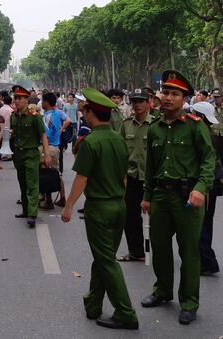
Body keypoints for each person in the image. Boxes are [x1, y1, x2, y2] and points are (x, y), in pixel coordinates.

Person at [140, 70, 215, 325]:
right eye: (166, 92)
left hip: (187, 197)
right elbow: (150, 166)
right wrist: (147, 196)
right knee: (160, 248)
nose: (169, 98)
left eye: (176, 94)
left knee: (189, 252)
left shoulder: (195, 125)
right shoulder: (154, 128)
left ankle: (189, 303)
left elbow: (209, 160)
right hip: (161, 195)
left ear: (184, 98)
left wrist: (201, 188)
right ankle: (162, 291)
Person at [61, 88, 138, 330]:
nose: (82, 114)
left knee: (106, 261)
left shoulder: (91, 142)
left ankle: (126, 312)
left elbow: (81, 179)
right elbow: (124, 177)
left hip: (100, 209)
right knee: (103, 257)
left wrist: (68, 206)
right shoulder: (118, 139)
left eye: (84, 111)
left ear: (92, 114)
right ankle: (93, 303)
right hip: (119, 206)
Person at [117, 88, 154, 262]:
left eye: (141, 101)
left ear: (148, 103)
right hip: (132, 177)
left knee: (158, 218)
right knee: (130, 215)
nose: (137, 105)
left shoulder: (156, 124)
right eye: (134, 101)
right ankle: (136, 252)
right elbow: (121, 152)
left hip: (152, 178)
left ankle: (158, 250)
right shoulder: (126, 125)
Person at [10, 85, 51, 228]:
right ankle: (25, 210)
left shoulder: (34, 116)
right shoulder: (13, 116)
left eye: (20, 98)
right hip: (19, 153)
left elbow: (43, 135)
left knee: (32, 184)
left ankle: (32, 214)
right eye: (15, 98)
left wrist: (46, 155)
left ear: (26, 100)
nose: (16, 101)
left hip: (31, 153)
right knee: (22, 182)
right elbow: (14, 133)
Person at [190, 102, 221, 276]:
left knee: (200, 224)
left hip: (206, 185)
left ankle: (208, 261)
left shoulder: (205, 136)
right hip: (212, 184)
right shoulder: (213, 134)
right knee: (205, 223)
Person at [39, 92, 70, 209]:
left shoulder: (47, 116)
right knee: (56, 173)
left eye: (43, 101)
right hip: (56, 147)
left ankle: (49, 201)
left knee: (46, 174)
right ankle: (62, 198)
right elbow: (68, 120)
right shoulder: (58, 112)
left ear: (46, 102)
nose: (41, 103)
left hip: (49, 147)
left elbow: (45, 136)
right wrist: (61, 129)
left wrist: (45, 153)